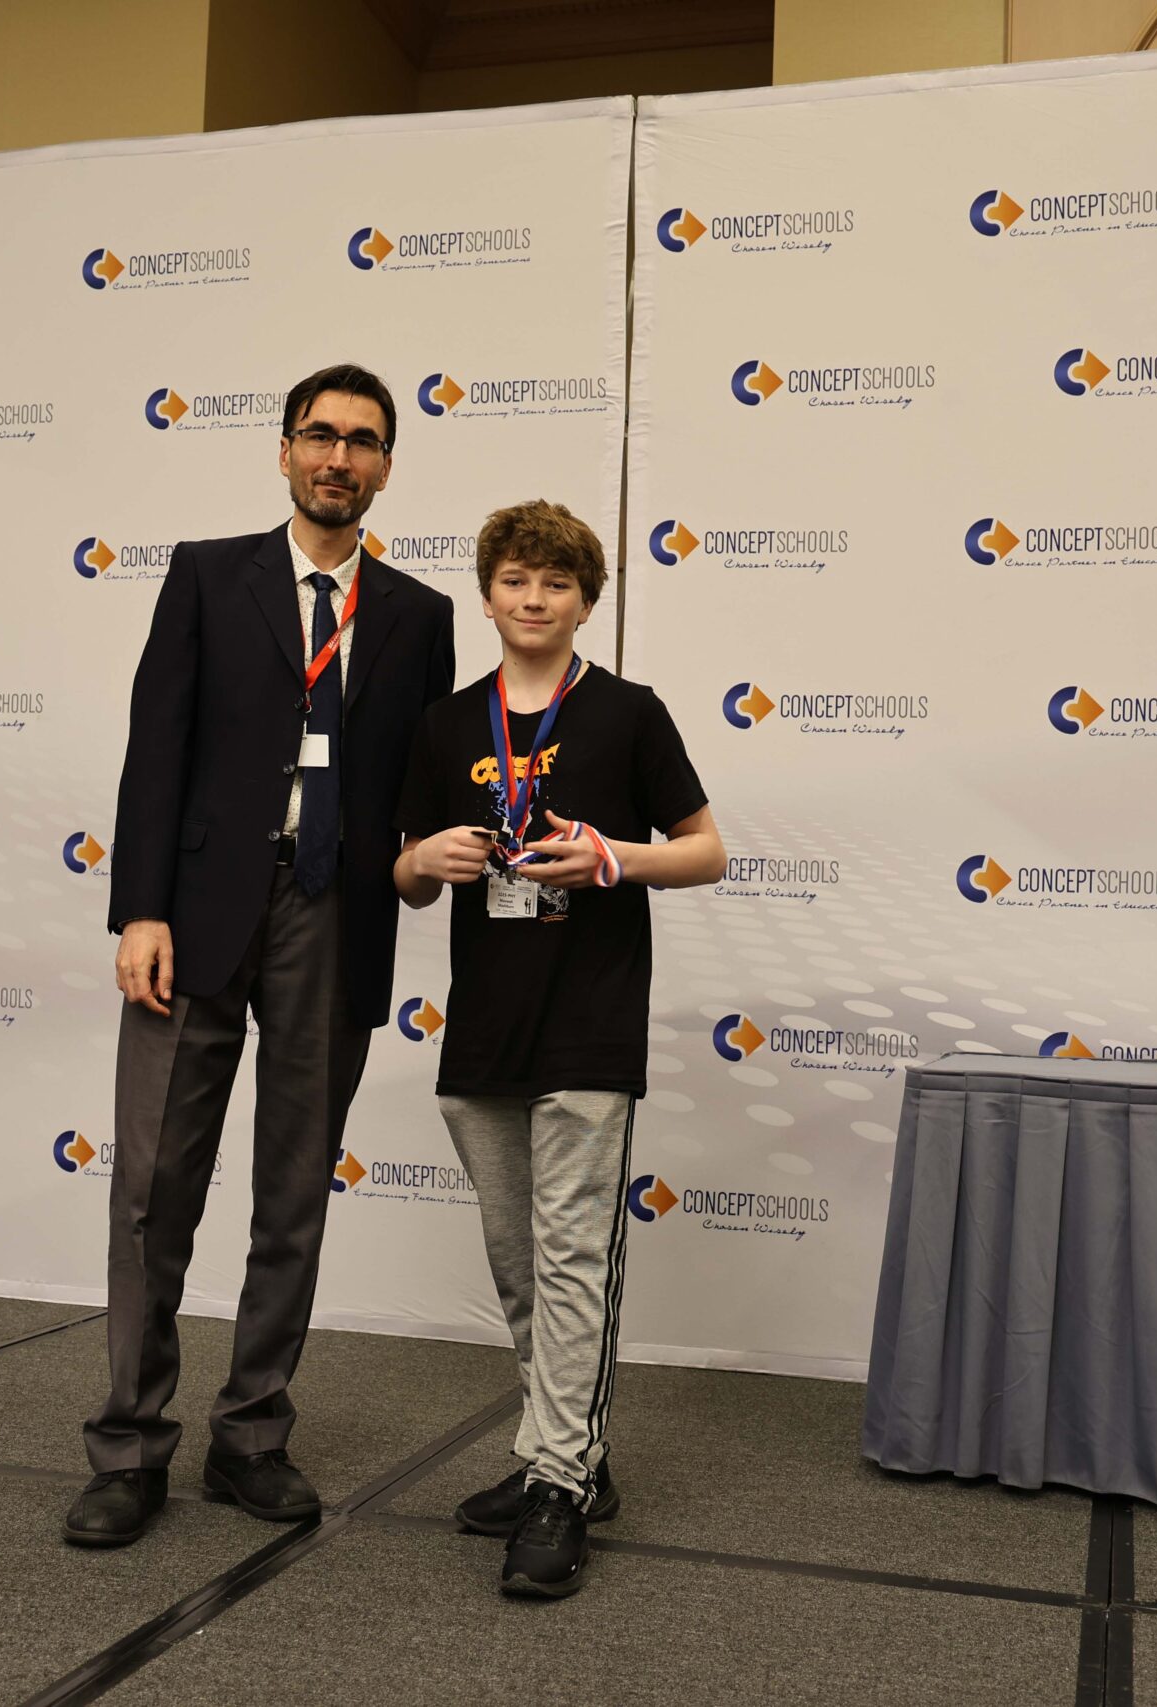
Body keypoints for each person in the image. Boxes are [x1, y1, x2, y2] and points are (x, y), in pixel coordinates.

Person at [66, 363, 457, 1549]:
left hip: (334, 914)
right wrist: (139, 910)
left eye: (363, 441)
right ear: (283, 451)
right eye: (320, 435)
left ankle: (251, 1436)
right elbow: (156, 746)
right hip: (193, 915)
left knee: (292, 1192)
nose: (339, 458)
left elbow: (416, 792)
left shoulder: (419, 616)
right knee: (152, 1190)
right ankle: (130, 1446)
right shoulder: (205, 575)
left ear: (386, 467)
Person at [392, 499, 723, 1598]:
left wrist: (610, 858)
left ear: (586, 603)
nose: (534, 600)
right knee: (518, 1264)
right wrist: (426, 859)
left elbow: (707, 851)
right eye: (516, 581)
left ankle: (556, 1488)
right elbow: (403, 873)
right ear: (488, 595)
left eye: (557, 584)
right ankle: (567, 1454)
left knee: (573, 1259)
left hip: (588, 1023)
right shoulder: (448, 725)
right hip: (483, 1031)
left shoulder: (628, 713)